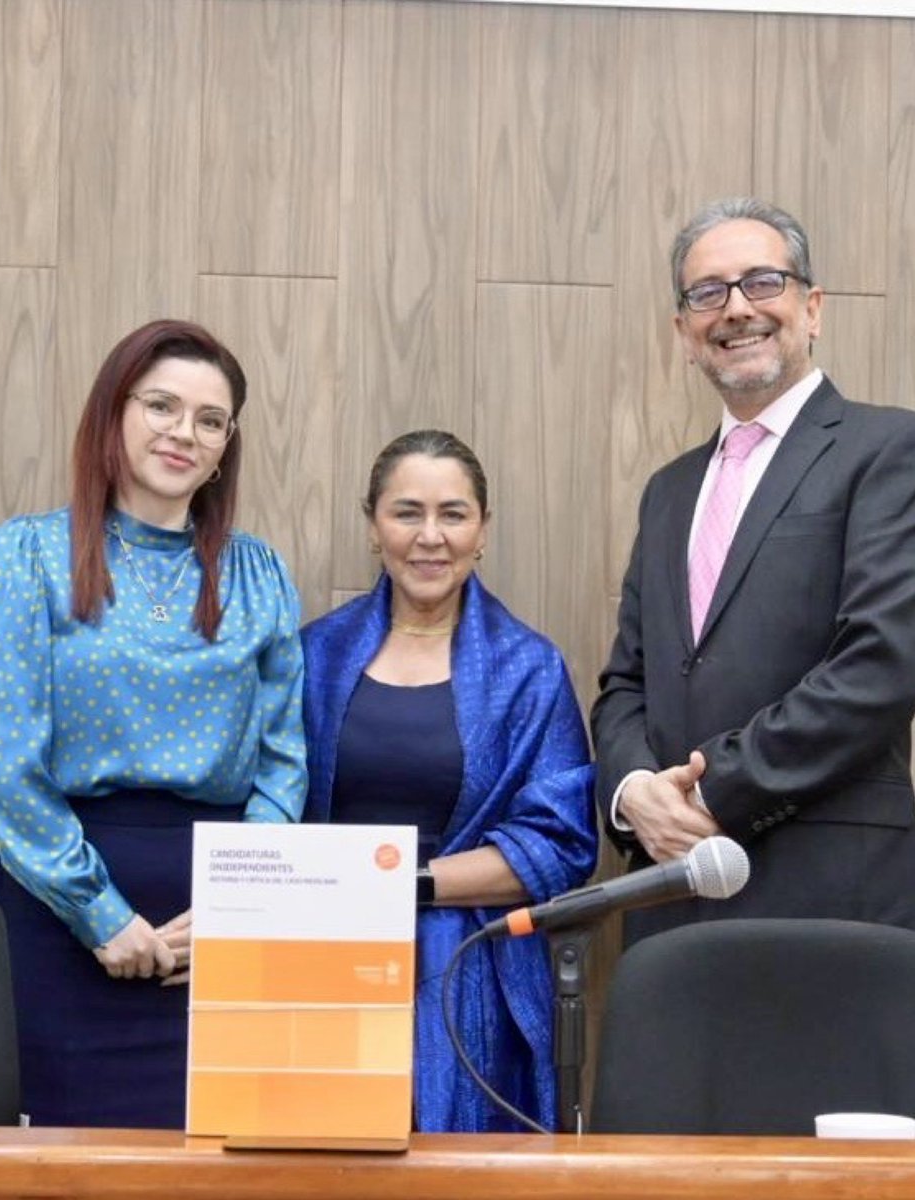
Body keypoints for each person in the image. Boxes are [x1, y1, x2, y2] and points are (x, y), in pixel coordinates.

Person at [0, 318, 307, 1128]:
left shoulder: (257, 573)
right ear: (114, 410)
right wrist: (100, 913)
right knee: (60, 1165)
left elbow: (284, 759)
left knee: (223, 1157)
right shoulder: (25, 556)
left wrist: (241, 905)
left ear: (226, 447)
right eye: (160, 406)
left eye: (210, 420)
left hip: (216, 923)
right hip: (58, 912)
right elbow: (1, 758)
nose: (184, 433)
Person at [592, 196, 915, 946]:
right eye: (708, 293)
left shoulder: (889, 450)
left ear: (813, 308)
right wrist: (638, 793)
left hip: (832, 892)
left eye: (763, 282)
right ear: (685, 333)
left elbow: (882, 663)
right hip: (673, 890)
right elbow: (628, 683)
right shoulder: (668, 491)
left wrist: (713, 792)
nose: (736, 308)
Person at [302, 430, 597, 1132]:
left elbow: (559, 847)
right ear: (373, 525)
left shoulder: (529, 668)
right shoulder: (313, 655)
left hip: (469, 976)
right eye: (407, 512)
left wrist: (402, 883)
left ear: (482, 530)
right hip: (318, 958)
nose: (430, 537)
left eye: (453, 514)